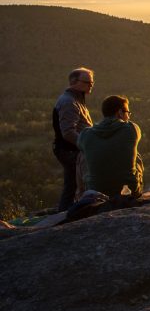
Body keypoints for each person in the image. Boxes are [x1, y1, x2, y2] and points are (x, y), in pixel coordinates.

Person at [77, 95, 144, 198]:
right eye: (127, 113)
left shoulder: (86, 134)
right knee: (136, 154)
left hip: (97, 192)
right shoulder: (132, 129)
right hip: (129, 191)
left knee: (82, 155)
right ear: (120, 113)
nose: (129, 116)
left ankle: (81, 195)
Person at [52, 67, 95, 211]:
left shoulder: (76, 99)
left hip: (72, 150)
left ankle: (66, 212)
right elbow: (68, 132)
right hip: (70, 151)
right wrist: (86, 145)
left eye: (92, 82)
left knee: (72, 185)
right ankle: (66, 215)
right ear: (74, 82)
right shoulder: (69, 102)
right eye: (87, 82)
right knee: (74, 184)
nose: (91, 85)